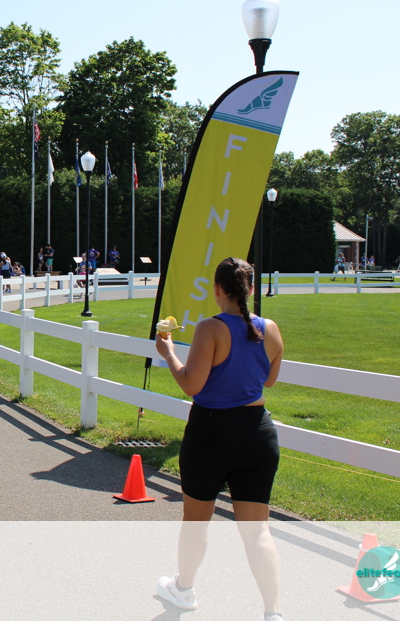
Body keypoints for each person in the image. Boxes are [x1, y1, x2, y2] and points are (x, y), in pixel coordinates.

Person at [154, 257, 285, 620]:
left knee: (196, 519)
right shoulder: (271, 329)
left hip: (211, 430)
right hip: (258, 431)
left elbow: (191, 384)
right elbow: (269, 380)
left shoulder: (210, 328)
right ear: (251, 289)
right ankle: (273, 612)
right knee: (258, 531)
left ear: (217, 290)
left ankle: (183, 590)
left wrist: (169, 353)